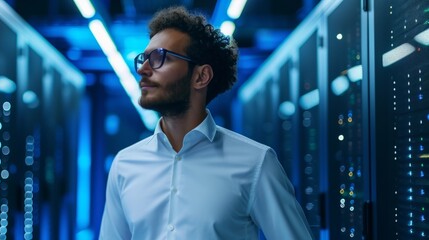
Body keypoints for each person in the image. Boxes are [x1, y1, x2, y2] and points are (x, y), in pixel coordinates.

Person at [99, 6, 313, 240]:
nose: (143, 69)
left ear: (201, 76)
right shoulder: (125, 164)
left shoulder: (256, 163)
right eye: (143, 58)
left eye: (160, 58)